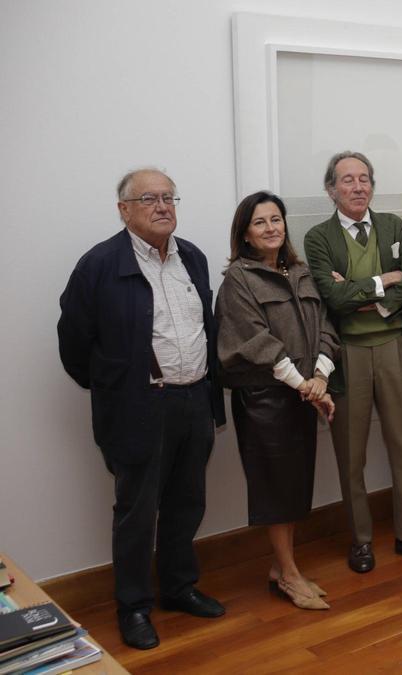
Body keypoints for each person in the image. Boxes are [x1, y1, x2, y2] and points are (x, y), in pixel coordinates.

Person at [58, 168, 226, 650]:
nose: (162, 206)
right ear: (123, 209)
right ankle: (133, 606)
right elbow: (74, 342)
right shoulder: (99, 265)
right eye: (148, 198)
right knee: (136, 512)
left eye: (169, 197)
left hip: (194, 399)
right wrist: (116, 387)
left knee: (186, 502)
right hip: (140, 407)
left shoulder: (191, 256)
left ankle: (178, 588)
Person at [303, 151, 402, 572]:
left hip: (395, 349)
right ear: (331, 189)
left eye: (364, 178)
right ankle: (361, 540)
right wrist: (386, 279)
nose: (358, 187)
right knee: (351, 455)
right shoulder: (317, 238)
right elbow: (335, 299)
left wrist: (373, 302)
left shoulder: (392, 226)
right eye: (348, 180)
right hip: (346, 357)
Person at [215, 191, 339, 610]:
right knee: (275, 488)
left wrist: (321, 375)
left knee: (295, 485)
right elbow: (254, 340)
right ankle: (288, 575)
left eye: (276, 219)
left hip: (302, 394)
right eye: (260, 222)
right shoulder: (239, 280)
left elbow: (325, 325)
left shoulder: (299, 271)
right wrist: (305, 384)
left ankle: (282, 567)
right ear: (245, 235)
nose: (271, 228)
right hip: (265, 399)